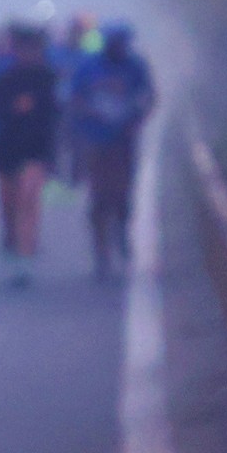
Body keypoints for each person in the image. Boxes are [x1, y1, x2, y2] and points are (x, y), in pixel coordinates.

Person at [68, 20, 157, 280]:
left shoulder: (136, 66)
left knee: (123, 194)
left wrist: (137, 120)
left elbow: (150, 96)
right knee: (98, 197)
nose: (118, 47)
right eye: (114, 43)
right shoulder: (88, 67)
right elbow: (74, 99)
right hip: (95, 140)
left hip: (124, 140)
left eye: (122, 43)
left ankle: (122, 231)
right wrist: (89, 114)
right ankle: (101, 252)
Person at [0, 23, 62, 283]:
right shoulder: (5, 79)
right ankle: (12, 241)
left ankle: (25, 259)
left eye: (33, 49)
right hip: (8, 147)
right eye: (24, 49)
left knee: (29, 198)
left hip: (36, 148)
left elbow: (57, 113)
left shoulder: (49, 79)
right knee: (10, 203)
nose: (29, 54)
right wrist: (12, 109)